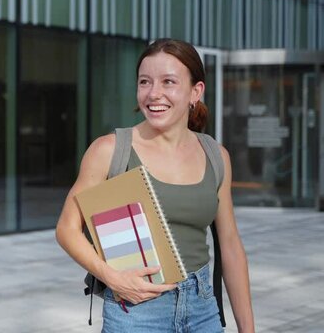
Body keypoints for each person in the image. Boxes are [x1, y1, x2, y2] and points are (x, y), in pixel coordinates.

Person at [55, 38, 254, 332]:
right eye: (144, 82)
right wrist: (112, 277)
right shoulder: (110, 150)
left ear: (195, 91)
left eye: (168, 82)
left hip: (202, 308)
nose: (154, 93)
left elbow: (230, 245)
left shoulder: (216, 155)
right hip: (137, 311)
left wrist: (247, 329)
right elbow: (66, 229)